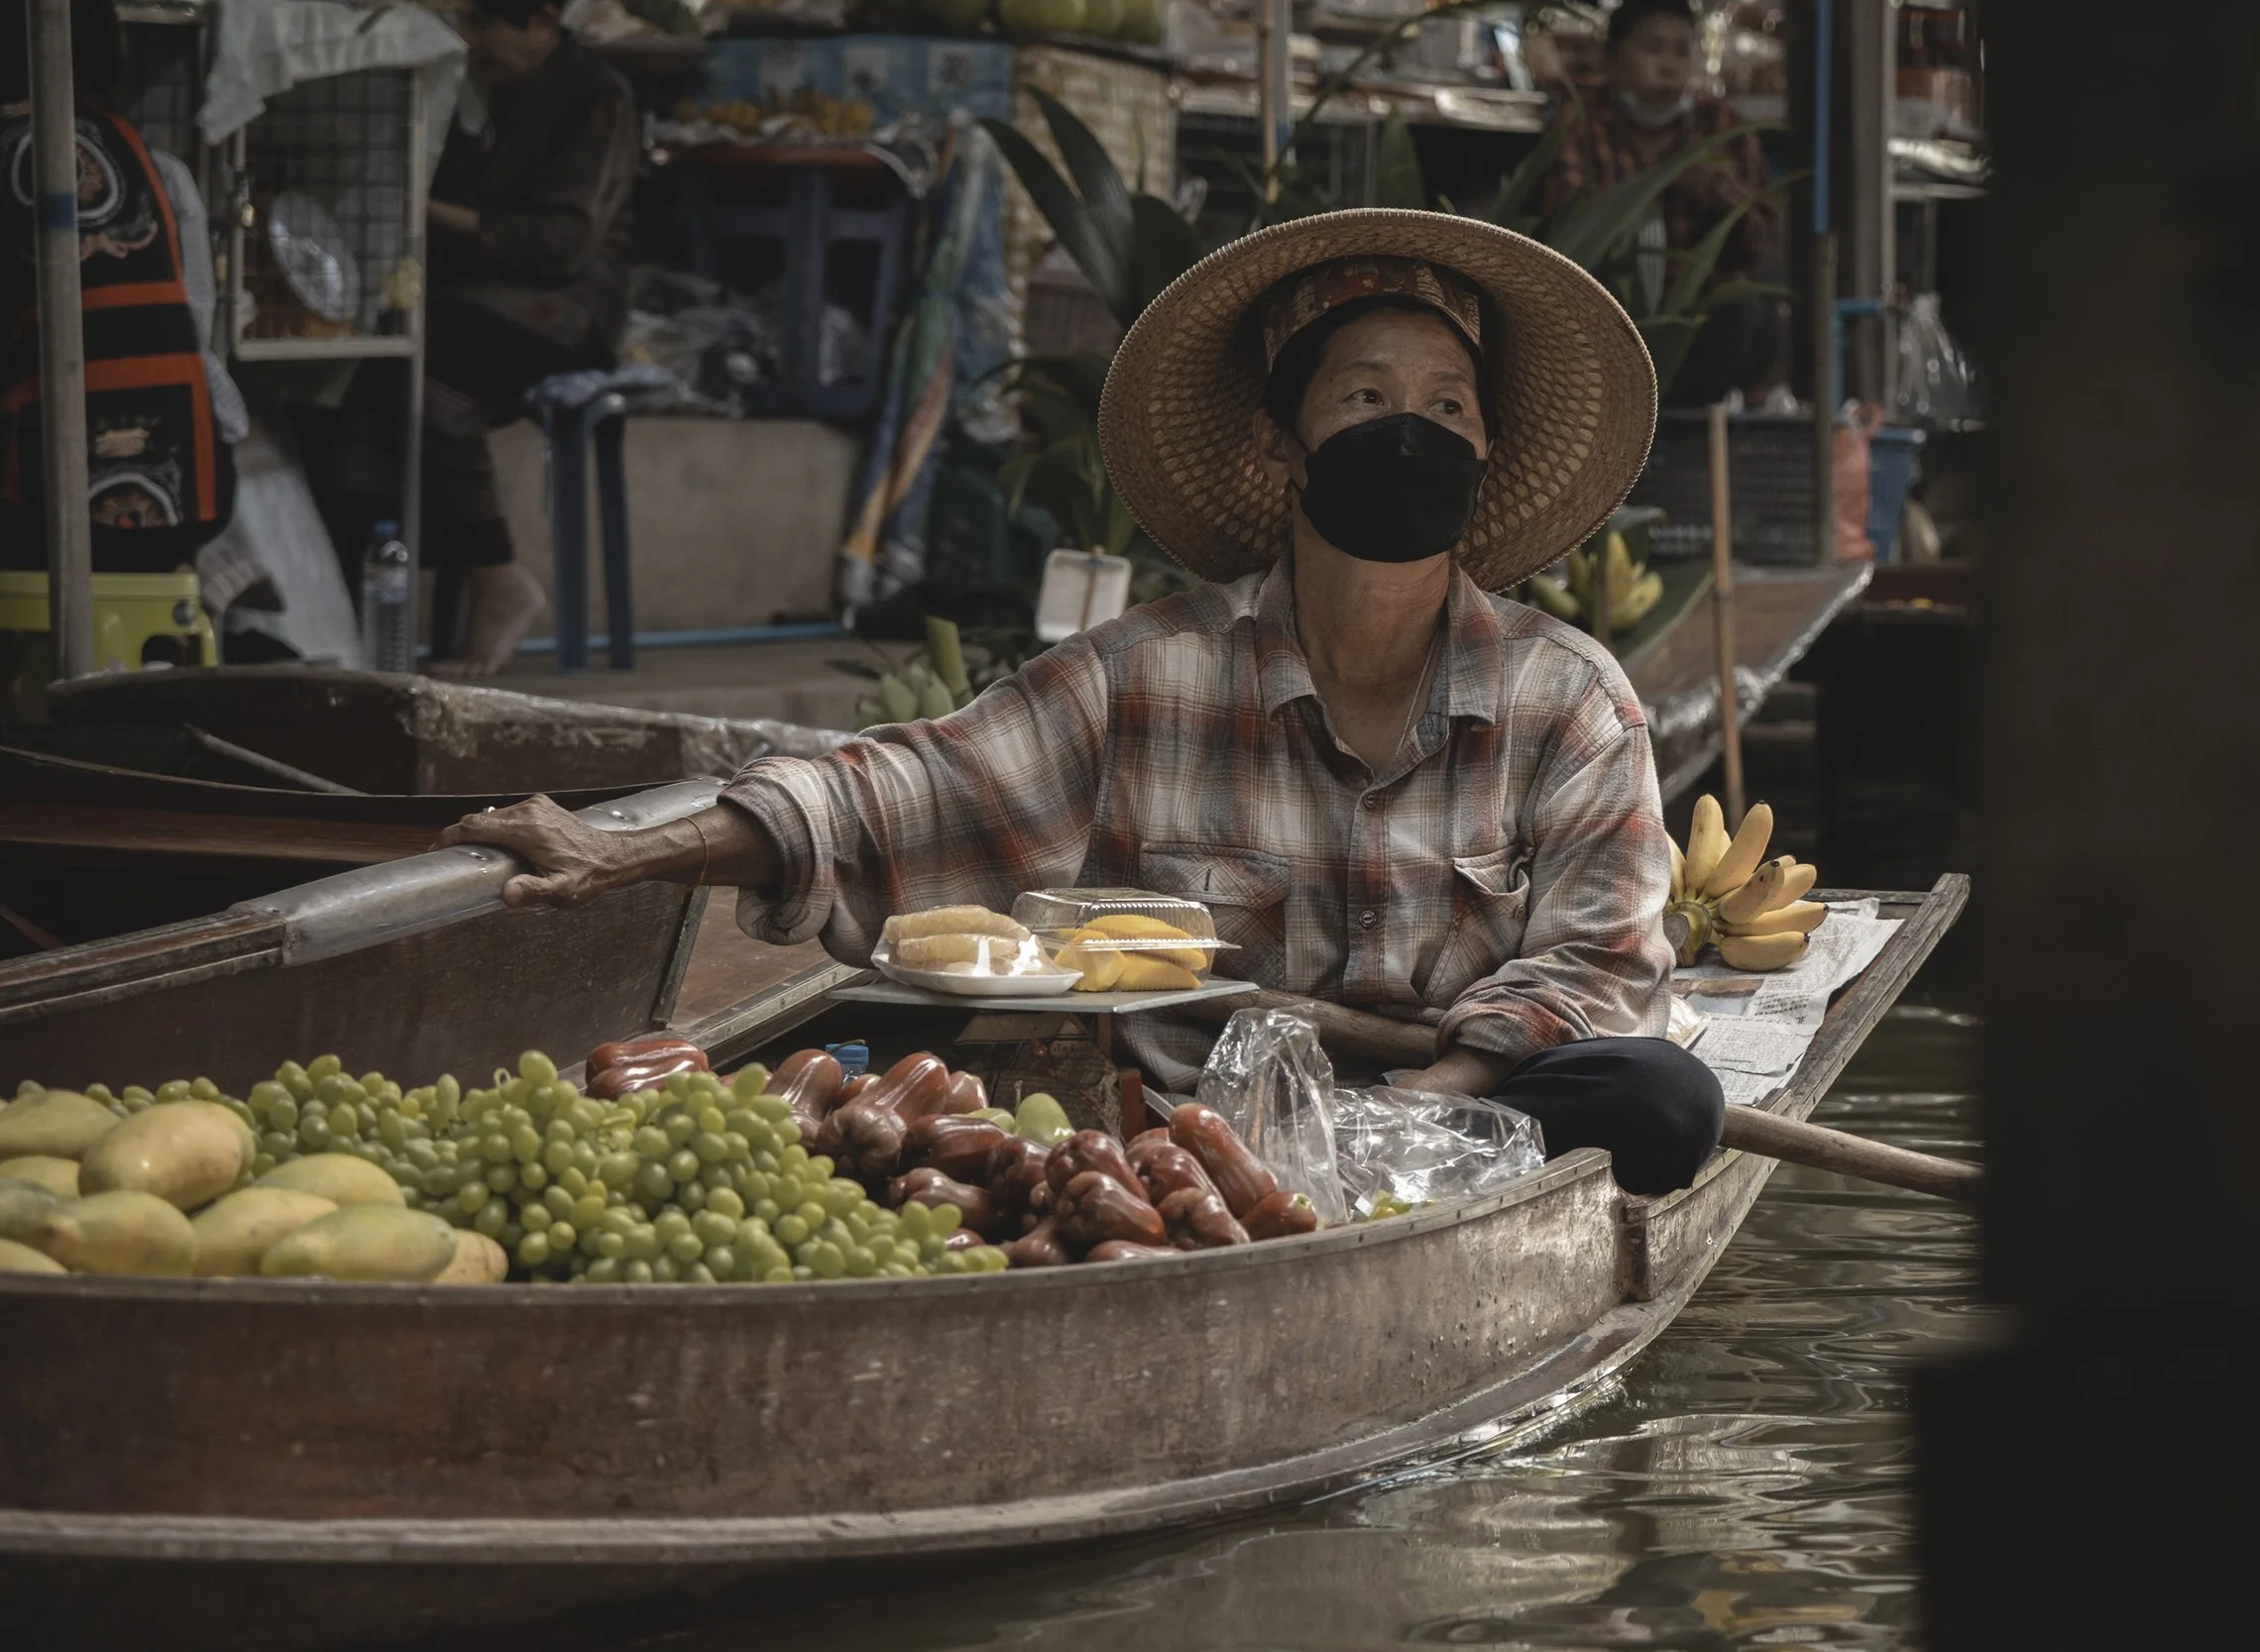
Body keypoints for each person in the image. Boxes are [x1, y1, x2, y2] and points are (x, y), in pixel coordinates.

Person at [443, 210, 1727, 1196]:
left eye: (1449, 404)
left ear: (1489, 442)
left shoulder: (1568, 700)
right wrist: (621, 851)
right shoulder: (1147, 679)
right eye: (1367, 399)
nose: (1416, 429)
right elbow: (904, 794)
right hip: (1200, 1154)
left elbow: (1603, 963)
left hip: (1458, 1123)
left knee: (1664, 1094)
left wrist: (1414, 1104)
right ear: (1284, 446)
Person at [309, 0, 634, 677]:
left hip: (563, 308)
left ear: (541, 22)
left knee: (421, 369)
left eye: (487, 26)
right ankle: (345, 618)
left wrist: (421, 207)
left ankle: (497, 574)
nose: (472, 40)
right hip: (468, 296)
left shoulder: (594, 95)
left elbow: (562, 244)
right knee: (363, 371)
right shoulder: (472, 90)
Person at [0, 0, 250, 588]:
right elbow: (195, 327)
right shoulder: (155, 164)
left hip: (47, 512)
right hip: (194, 502)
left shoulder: (11, 152)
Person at [1543, 0, 1778, 406]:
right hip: (1606, 313)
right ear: (1613, 59)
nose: (1668, 65)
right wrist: (1655, 185)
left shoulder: (1720, 126)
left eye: (1680, 51)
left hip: (1695, 324)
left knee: (1752, 317)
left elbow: (1759, 242)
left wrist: (1725, 197)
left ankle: (1675, 423)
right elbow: (1569, 224)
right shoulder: (1584, 116)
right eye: (1652, 49)